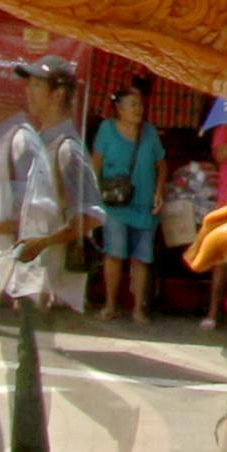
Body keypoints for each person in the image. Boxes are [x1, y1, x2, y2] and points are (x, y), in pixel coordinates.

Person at [0, 50, 97, 452]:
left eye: (37, 84)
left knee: (30, 363)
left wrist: (43, 255)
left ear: (59, 92)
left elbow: (86, 216)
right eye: (28, 83)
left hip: (48, 275)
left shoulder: (68, 149)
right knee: (26, 361)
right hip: (33, 272)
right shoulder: (43, 142)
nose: (29, 91)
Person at [90, 83, 166, 322]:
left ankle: (138, 308)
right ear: (119, 109)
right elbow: (95, 165)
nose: (138, 109)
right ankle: (111, 304)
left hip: (144, 205)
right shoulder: (107, 129)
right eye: (133, 105)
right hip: (115, 205)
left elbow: (161, 165)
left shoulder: (150, 132)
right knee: (114, 254)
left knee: (142, 257)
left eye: (140, 104)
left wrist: (159, 191)